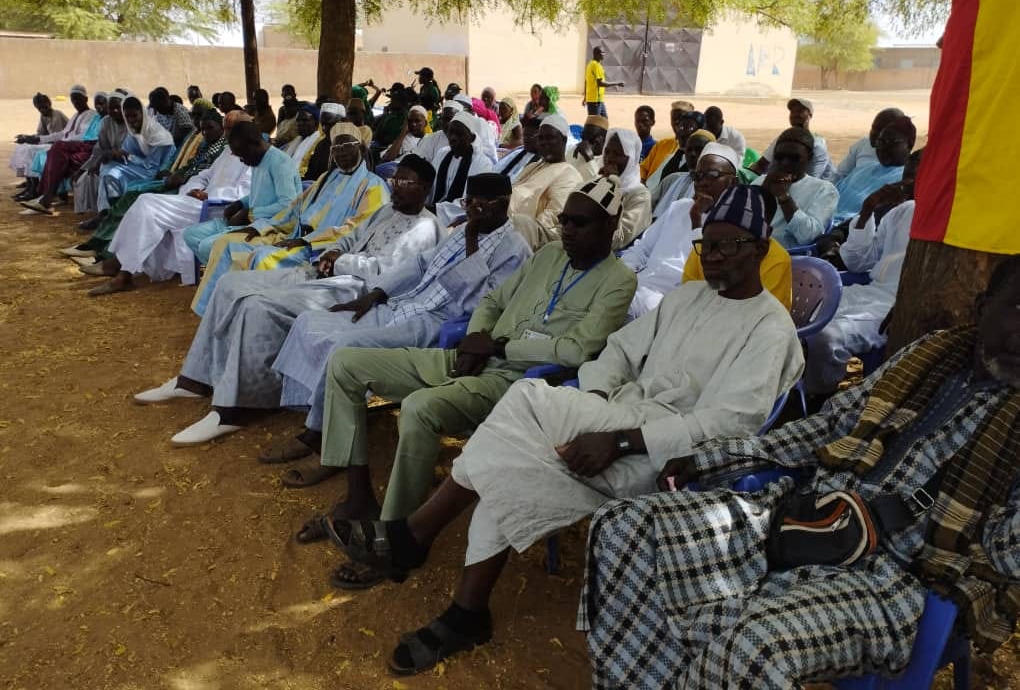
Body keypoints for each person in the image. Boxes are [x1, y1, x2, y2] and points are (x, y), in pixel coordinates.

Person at [323, 184, 804, 675]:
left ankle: (414, 534)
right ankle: (466, 614)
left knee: (526, 397)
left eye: (728, 246)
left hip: (661, 455)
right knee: (503, 473)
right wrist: (590, 405)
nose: (715, 257)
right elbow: (618, 350)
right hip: (610, 417)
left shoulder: (770, 329)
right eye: (708, 245)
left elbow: (729, 424)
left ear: (761, 249)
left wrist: (617, 439)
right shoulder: (688, 298)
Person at [581, 255, 1020, 690]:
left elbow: (1003, 556)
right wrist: (717, 457)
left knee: (754, 648)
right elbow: (831, 425)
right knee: (623, 528)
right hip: (807, 518)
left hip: (894, 579)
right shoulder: (932, 354)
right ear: (983, 308)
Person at [299, 179, 639, 586]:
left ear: (610, 224)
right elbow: (494, 301)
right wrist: (477, 336)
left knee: (419, 408)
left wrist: (500, 346)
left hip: (516, 382)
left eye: (580, 223)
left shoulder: (620, 280)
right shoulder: (549, 255)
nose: (567, 229)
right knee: (346, 363)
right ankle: (358, 499)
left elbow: (576, 352)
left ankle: (394, 538)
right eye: (565, 220)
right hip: (473, 359)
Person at [135, 156, 446, 445]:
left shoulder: (425, 227)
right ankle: (194, 379)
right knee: (230, 284)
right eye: (396, 181)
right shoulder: (386, 210)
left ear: (426, 188)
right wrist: (331, 252)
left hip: (351, 291)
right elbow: (351, 237)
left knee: (258, 307)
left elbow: (386, 274)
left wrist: (340, 262)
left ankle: (235, 409)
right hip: (324, 271)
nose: (398, 187)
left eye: (407, 183)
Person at [268, 173, 533, 465]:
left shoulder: (515, 250)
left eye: (476, 203)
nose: (469, 209)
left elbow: (484, 301)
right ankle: (316, 409)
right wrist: (376, 293)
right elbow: (420, 264)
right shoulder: (462, 231)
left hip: (437, 322)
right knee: (309, 321)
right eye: (466, 201)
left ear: (501, 204)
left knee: (345, 345)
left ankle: (317, 433)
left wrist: (471, 238)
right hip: (404, 303)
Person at [190, 123, 389, 316]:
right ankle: (211, 312)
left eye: (347, 146)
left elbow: (358, 230)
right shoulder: (327, 177)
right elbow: (295, 208)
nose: (341, 152)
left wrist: (306, 241)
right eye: (336, 147)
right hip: (292, 235)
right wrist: (261, 227)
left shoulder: (373, 186)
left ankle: (248, 318)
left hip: (319, 250)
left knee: (261, 258)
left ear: (361, 148)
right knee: (227, 248)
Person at [78, 111, 249, 294]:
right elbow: (203, 176)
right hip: (196, 201)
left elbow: (244, 193)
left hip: (216, 208)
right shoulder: (227, 151)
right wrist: (192, 190)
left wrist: (208, 196)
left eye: (231, 129)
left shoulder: (251, 154)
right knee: (144, 203)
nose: (227, 134)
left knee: (147, 203)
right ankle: (122, 267)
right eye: (226, 129)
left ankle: (121, 269)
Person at [803, 149, 922, 394]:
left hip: (896, 306)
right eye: (906, 176)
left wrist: (910, 306)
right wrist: (868, 210)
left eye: (914, 178)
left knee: (826, 338)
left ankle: (819, 395)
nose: (906, 183)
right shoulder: (903, 211)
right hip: (869, 293)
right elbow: (857, 262)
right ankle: (790, 389)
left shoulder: (956, 222)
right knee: (795, 315)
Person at [624, 144, 790, 318]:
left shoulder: (736, 226)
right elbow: (641, 248)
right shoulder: (679, 207)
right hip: (640, 287)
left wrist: (697, 223)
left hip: (676, 300)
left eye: (712, 175)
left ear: (733, 181)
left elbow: (706, 273)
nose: (702, 182)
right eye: (697, 176)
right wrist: (624, 276)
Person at [182, 121, 303, 266]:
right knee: (191, 234)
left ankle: (225, 275)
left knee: (209, 246)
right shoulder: (258, 159)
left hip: (273, 227)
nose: (241, 160)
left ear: (254, 144)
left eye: (242, 154)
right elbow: (261, 194)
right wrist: (239, 203)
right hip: (253, 221)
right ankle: (221, 272)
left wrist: (249, 214)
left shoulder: (280, 163)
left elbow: (287, 206)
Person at [19, 89, 105, 212]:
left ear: (86, 99)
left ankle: (46, 197)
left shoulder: (94, 116)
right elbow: (63, 134)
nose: (76, 102)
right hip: (80, 146)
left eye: (102, 103)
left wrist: (65, 142)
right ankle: (42, 194)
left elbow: (86, 138)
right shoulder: (91, 117)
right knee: (52, 153)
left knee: (58, 148)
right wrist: (38, 138)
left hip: (89, 148)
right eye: (73, 99)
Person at [752, 127, 838, 249]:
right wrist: (763, 191)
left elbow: (808, 236)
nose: (785, 163)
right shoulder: (760, 181)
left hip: (791, 257)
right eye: (779, 157)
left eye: (794, 158)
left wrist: (784, 197)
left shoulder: (824, 190)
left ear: (810, 157)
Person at [507, 114, 584, 249]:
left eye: (550, 138)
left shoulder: (569, 174)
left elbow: (552, 218)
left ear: (564, 140)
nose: (543, 142)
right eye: (541, 138)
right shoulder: (535, 165)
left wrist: (519, 228)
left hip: (523, 235)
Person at [94, 95, 177, 214]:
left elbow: (152, 166)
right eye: (127, 116)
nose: (131, 120)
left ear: (142, 114)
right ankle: (107, 210)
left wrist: (128, 156)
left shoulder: (157, 134)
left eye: (134, 115)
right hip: (142, 167)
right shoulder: (134, 132)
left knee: (112, 173)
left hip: (157, 170)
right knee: (108, 167)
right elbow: (127, 153)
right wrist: (117, 155)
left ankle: (108, 211)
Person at [830, 117, 916, 225]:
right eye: (880, 142)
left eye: (891, 142)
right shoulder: (864, 168)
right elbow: (832, 196)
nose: (883, 147)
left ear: (909, 145)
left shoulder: (904, 180)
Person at [429, 112, 494, 223]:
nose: (453, 138)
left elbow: (469, 201)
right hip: (431, 211)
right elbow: (429, 185)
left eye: (459, 134)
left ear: (471, 137)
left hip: (459, 220)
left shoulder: (482, 163)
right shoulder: (442, 154)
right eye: (451, 132)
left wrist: (434, 210)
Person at [74, 92, 129, 219]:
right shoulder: (105, 122)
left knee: (106, 172)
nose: (115, 111)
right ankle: (99, 211)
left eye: (118, 107)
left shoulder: (131, 120)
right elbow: (99, 149)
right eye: (112, 108)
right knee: (86, 176)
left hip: (129, 162)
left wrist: (104, 159)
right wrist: (85, 167)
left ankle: (103, 214)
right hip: (109, 159)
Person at [751, 97, 834, 180]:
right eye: (792, 112)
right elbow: (761, 164)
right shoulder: (782, 139)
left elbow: (811, 181)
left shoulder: (817, 146)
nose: (795, 115)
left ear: (810, 115)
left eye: (800, 111)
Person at [599, 129, 651, 250]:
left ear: (631, 159)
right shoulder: (599, 180)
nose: (609, 158)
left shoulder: (640, 196)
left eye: (617, 154)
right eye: (607, 152)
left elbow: (617, 240)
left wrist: (612, 185)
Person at [649, 128, 716, 216]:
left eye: (699, 150)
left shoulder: (715, 187)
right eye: (689, 150)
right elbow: (648, 207)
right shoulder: (672, 180)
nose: (692, 154)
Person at [643, 109, 706, 198]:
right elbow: (652, 186)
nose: (683, 132)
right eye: (681, 127)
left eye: (689, 128)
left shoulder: (701, 163)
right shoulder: (672, 156)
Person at [10, 93, 69, 184]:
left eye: (44, 107)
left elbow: (55, 138)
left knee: (30, 150)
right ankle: (27, 178)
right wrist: (26, 137)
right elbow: (40, 134)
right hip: (50, 142)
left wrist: (30, 139)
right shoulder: (43, 116)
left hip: (60, 145)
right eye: (40, 108)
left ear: (49, 104)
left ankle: (34, 185)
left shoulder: (56, 115)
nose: (43, 110)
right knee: (22, 147)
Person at [834, 107, 906, 179]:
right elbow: (840, 175)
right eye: (873, 127)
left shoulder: (902, 166)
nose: (874, 133)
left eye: (881, 130)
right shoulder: (863, 145)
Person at [638, 100, 693, 181]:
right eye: (674, 119)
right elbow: (643, 168)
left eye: (681, 118)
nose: (677, 122)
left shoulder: (694, 150)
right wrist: (642, 181)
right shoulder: (662, 144)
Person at [492, 116, 542, 182]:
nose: (525, 139)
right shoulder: (519, 151)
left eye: (530, 136)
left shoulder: (541, 162)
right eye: (524, 135)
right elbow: (498, 168)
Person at [584, 47, 624, 116]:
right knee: (595, 123)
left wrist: (585, 97)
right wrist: (617, 83)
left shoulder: (590, 64)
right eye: (602, 53)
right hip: (595, 100)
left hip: (597, 100)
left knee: (604, 121)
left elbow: (586, 82)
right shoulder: (596, 65)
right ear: (596, 54)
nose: (604, 54)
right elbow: (600, 83)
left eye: (604, 52)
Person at [569, 115, 608, 181]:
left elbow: (600, 186)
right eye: (583, 137)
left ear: (601, 139)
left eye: (590, 138)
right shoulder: (575, 149)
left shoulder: (608, 160)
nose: (585, 143)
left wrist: (589, 159)